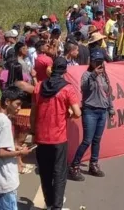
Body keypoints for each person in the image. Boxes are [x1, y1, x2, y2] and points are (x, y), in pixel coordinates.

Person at [31, 57, 81, 210]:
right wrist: (68, 113)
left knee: (45, 173)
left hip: (41, 136)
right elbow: (77, 113)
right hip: (58, 138)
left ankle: (49, 202)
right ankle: (57, 206)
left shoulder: (39, 86)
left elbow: (33, 112)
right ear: (65, 71)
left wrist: (33, 131)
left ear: (51, 69)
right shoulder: (67, 88)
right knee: (59, 173)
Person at [69, 51, 115, 181]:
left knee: (97, 140)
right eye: (96, 61)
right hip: (90, 111)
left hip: (102, 111)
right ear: (91, 62)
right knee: (87, 140)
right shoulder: (87, 75)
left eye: (101, 61)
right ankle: (75, 165)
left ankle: (93, 164)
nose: (99, 63)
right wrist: (94, 75)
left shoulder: (104, 75)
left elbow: (108, 92)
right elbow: (85, 88)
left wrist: (111, 108)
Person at [0, 86, 31, 210]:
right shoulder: (4, 122)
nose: (19, 108)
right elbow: (1, 152)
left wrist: (14, 146)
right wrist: (20, 152)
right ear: (7, 102)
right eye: (17, 104)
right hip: (3, 181)